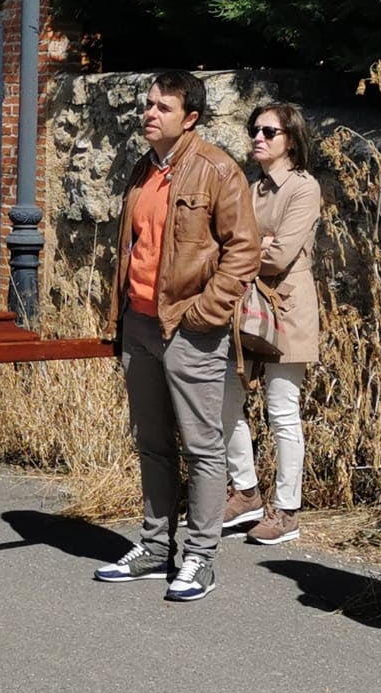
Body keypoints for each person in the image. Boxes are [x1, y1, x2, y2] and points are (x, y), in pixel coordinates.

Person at [93, 72, 261, 602]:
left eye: (162, 107)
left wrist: (204, 313)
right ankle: (153, 546)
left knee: (203, 446)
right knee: (151, 441)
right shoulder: (144, 169)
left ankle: (201, 558)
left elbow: (244, 250)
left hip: (189, 327)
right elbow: (135, 248)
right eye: (147, 105)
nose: (149, 114)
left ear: (189, 117)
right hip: (139, 323)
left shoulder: (216, 170)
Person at [222, 103, 322, 546]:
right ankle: (245, 492)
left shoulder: (304, 188)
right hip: (246, 306)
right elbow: (229, 242)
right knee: (225, 398)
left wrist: (247, 250)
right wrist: (254, 246)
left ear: (291, 141)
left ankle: (287, 510)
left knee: (282, 410)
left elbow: (279, 256)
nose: (258, 137)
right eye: (254, 130)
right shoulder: (250, 186)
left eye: (269, 131)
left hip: (288, 308)